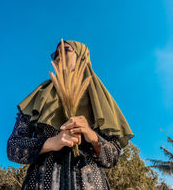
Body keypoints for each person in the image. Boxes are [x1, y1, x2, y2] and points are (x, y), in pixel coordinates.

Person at [7, 40, 134, 190]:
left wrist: (91, 135)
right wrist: (50, 143)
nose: (58, 56)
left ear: (82, 57)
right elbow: (13, 147)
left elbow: (112, 157)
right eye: (55, 54)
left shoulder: (100, 98)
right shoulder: (39, 96)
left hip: (91, 183)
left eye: (66, 50)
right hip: (42, 183)